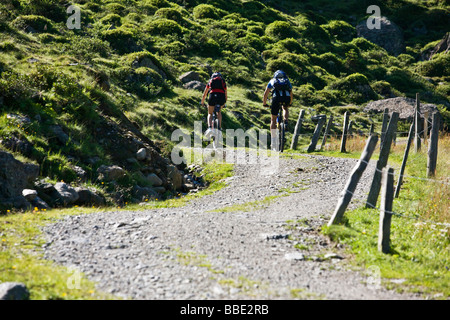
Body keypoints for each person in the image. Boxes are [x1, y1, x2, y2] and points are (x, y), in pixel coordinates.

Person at [262, 70, 293, 151]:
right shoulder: (287, 81)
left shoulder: (273, 80)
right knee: (285, 108)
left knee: (273, 119)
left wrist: (264, 103)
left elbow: (266, 93)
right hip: (286, 98)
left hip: (276, 98)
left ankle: (273, 139)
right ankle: (285, 121)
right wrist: (289, 103)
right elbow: (291, 93)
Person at [201, 72, 227, 136]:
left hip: (212, 96)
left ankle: (209, 128)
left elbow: (204, 94)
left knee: (210, 113)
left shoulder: (210, 81)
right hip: (221, 98)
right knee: (219, 112)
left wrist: (202, 102)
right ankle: (219, 129)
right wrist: (224, 103)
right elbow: (226, 94)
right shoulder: (223, 82)